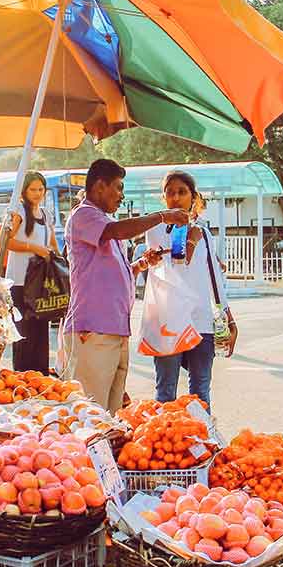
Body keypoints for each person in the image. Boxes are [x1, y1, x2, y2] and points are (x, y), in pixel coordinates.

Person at [62, 159, 189, 413]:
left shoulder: (103, 221)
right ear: (100, 186)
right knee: (91, 414)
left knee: (109, 415)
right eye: (118, 188)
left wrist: (141, 264)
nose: (121, 196)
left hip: (114, 329)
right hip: (93, 330)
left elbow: (113, 273)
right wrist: (162, 216)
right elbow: (118, 231)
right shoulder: (84, 215)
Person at [145, 171, 238, 406]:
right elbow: (177, 262)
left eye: (182, 192)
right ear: (163, 198)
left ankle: (201, 441)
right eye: (170, 193)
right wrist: (189, 239)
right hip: (168, 321)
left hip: (201, 320)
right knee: (166, 392)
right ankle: (165, 440)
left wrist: (228, 317)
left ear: (193, 197)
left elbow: (214, 277)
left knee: (200, 392)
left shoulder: (203, 233)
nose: (176, 198)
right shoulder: (155, 230)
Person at [5, 171, 60, 373]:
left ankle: (40, 376)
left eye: (40, 189)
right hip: (20, 282)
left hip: (42, 283)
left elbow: (53, 243)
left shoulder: (46, 215)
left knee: (41, 332)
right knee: (24, 333)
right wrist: (34, 248)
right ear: (24, 191)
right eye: (33, 189)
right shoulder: (18, 212)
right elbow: (7, 242)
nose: (37, 193)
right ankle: (21, 377)